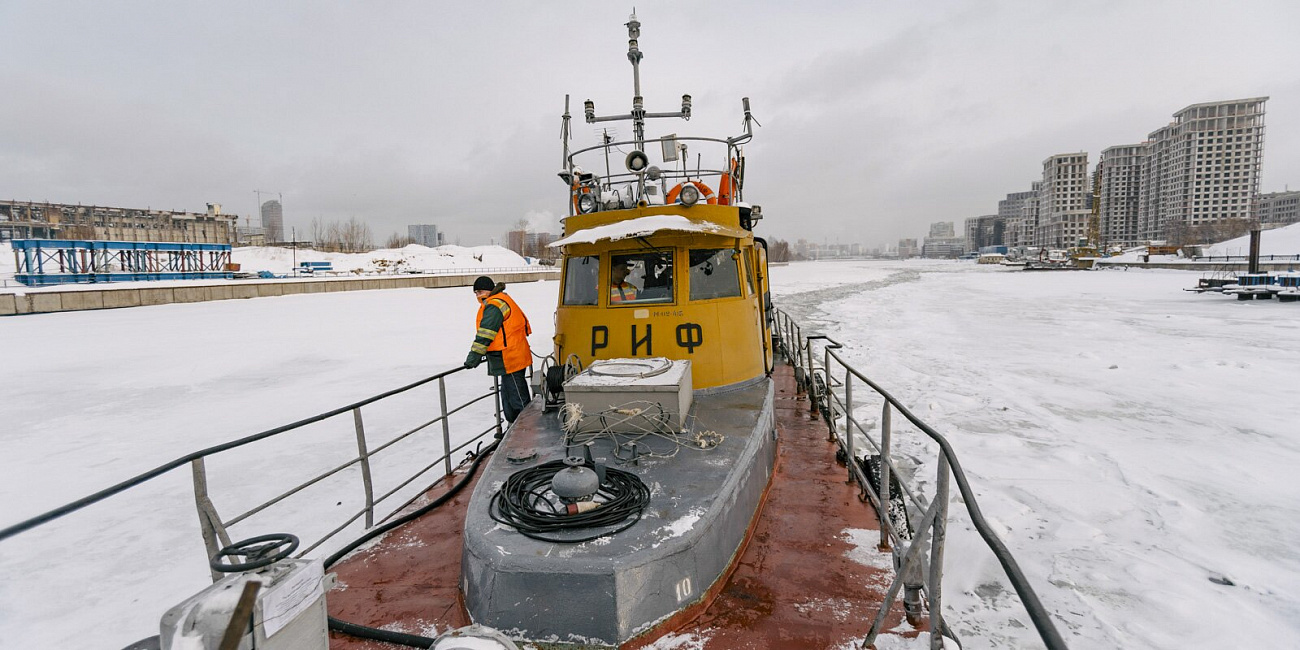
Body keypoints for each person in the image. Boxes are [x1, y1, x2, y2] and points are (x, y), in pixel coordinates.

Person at [464, 276, 533, 426]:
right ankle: (515, 426)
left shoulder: (494, 305)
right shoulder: (501, 299)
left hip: (510, 357)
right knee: (508, 395)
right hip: (510, 354)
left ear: (489, 290)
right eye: (476, 293)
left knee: (517, 397)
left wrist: (473, 357)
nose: (478, 296)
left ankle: (527, 428)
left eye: (480, 291)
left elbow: (486, 333)